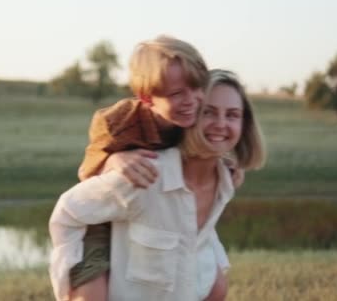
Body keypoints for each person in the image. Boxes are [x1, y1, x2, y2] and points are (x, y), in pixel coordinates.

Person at [49, 70, 266, 301]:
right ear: (189, 115)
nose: (221, 124)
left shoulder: (226, 180)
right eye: (208, 112)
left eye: (232, 115)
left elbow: (192, 237)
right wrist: (84, 286)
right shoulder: (145, 175)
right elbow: (68, 212)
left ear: (245, 125)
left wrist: (215, 277)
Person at [69, 35, 216, 301]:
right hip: (102, 220)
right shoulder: (119, 122)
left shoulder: (197, 118)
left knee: (210, 283)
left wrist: (228, 162)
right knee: (91, 294)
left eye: (196, 87)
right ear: (147, 98)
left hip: (155, 216)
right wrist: (112, 160)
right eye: (176, 94)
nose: (191, 100)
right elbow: (86, 172)